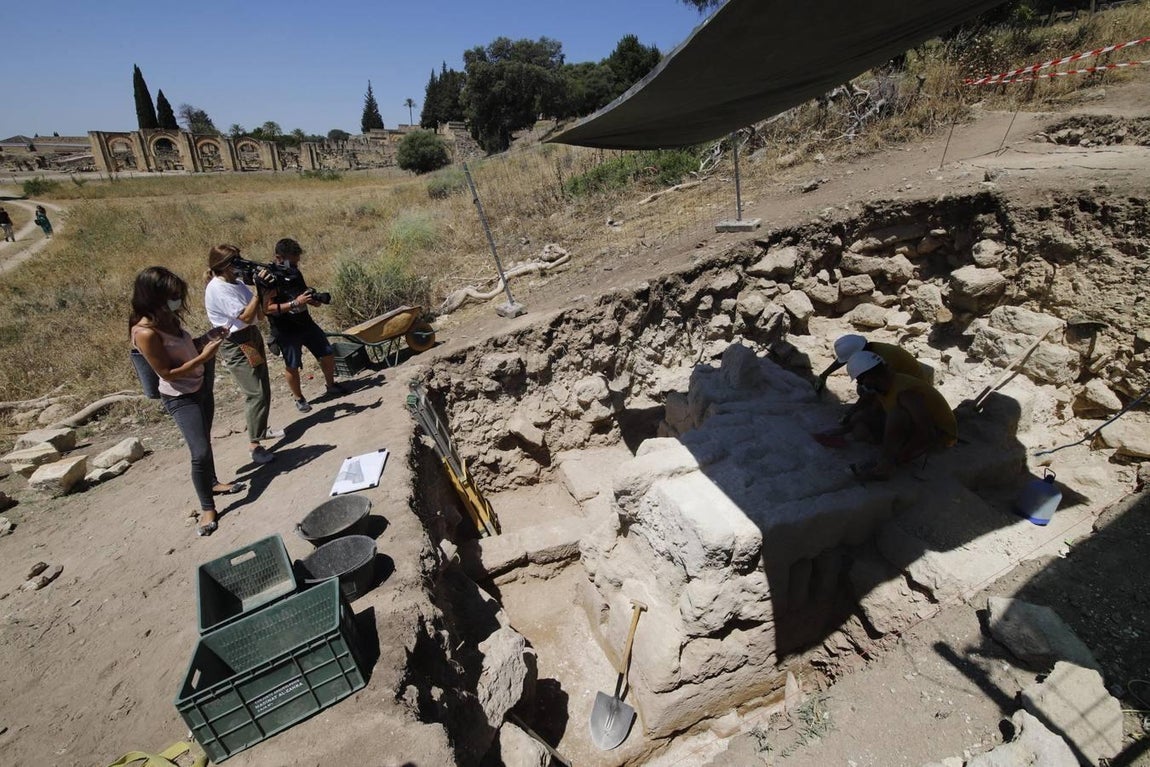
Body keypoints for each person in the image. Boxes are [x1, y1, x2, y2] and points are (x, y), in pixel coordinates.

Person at [130, 266, 243, 536]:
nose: (177, 300)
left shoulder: (166, 319)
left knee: (204, 437)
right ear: (152, 297)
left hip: (199, 385)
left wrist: (206, 338)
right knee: (199, 451)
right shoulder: (144, 332)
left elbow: (182, 346)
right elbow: (166, 372)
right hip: (180, 396)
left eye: (178, 295)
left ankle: (213, 482)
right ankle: (207, 507)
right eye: (172, 296)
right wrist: (205, 355)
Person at [204, 245, 282, 465]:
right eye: (235, 261)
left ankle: (262, 429)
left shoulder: (236, 284)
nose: (240, 265)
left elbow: (259, 314)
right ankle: (254, 446)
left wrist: (265, 291)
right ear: (224, 265)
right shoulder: (218, 288)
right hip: (237, 341)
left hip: (251, 336)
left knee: (263, 385)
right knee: (254, 392)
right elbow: (246, 317)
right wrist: (258, 291)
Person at [843, 350, 957, 481]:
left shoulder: (906, 393)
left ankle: (885, 465)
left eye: (860, 381)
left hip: (939, 437)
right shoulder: (884, 386)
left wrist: (894, 460)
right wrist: (842, 429)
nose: (861, 385)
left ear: (871, 377)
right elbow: (870, 412)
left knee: (896, 416)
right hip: (915, 428)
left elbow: (928, 432)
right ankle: (889, 449)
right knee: (861, 427)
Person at [262, 238, 346, 413]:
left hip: (305, 323)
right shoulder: (269, 278)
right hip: (285, 329)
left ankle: (331, 385)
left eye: (296, 262)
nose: (295, 265)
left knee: (327, 353)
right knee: (292, 364)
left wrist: (313, 299)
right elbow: (267, 308)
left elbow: (301, 292)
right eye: (292, 261)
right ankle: (299, 399)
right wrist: (294, 303)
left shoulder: (294, 273)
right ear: (279, 257)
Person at [813, 334, 927, 394]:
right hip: (901, 377)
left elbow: (886, 383)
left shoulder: (883, 359)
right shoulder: (868, 350)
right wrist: (824, 375)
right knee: (863, 386)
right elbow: (845, 359)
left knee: (866, 388)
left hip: (912, 385)